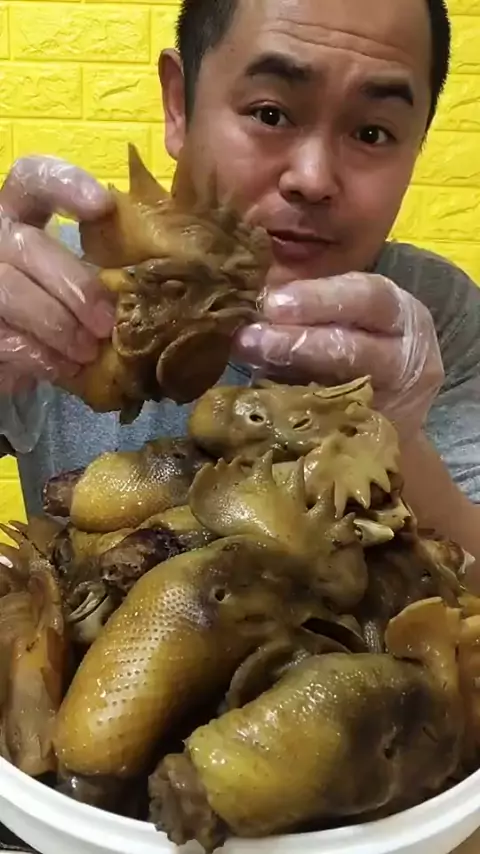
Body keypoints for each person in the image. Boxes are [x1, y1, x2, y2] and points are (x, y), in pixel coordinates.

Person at [1, 0, 480, 569]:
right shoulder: (49, 285)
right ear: (179, 105)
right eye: (270, 115)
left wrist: (397, 438)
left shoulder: (438, 317)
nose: (313, 179)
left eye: (372, 133)